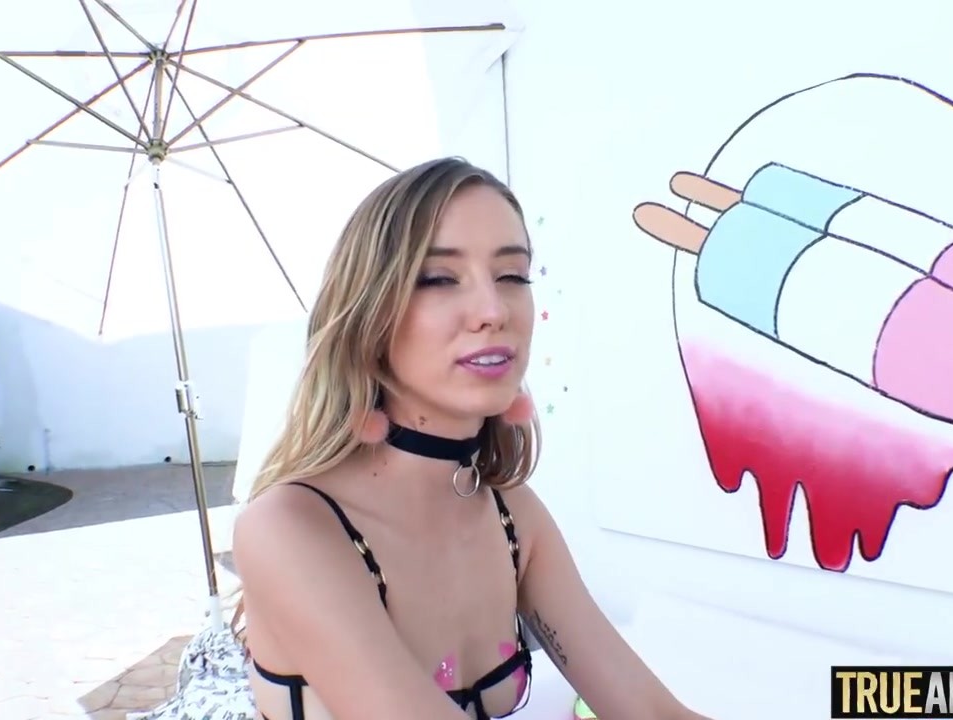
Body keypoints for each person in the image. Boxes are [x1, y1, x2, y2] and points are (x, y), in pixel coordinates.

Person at [231, 157, 713, 720]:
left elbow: (648, 711)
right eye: (439, 278)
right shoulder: (289, 527)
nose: (493, 310)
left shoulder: (513, 516)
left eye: (512, 276)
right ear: (368, 314)